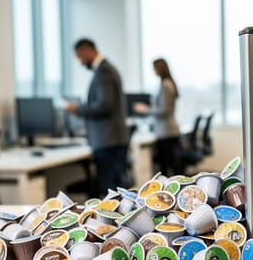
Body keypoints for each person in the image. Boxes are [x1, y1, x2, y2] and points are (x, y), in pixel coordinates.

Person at [66, 38, 129, 195]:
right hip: (112, 139)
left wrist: (77, 109)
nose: (80, 62)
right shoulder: (106, 69)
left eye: (80, 57)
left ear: (87, 52)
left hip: (108, 140)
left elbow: (104, 105)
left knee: (110, 191)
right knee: (115, 188)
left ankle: (110, 220)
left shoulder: (103, 71)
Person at [134, 58, 180, 138]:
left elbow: (163, 110)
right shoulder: (166, 84)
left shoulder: (166, 85)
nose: (153, 71)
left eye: (154, 68)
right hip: (165, 130)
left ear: (160, 68)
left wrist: (145, 109)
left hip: (167, 131)